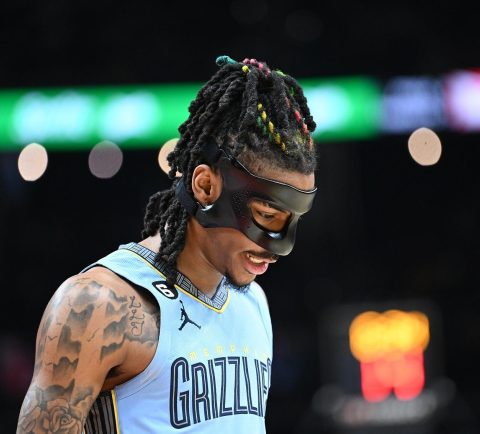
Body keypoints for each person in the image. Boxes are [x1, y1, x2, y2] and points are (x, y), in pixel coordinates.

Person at [16, 55, 318, 434]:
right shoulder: (97, 305)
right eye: (267, 216)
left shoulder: (253, 302)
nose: (280, 247)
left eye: (293, 221)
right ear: (205, 186)